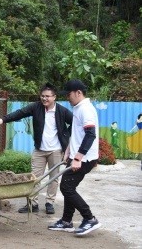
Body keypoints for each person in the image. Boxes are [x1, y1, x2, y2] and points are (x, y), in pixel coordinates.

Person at [0, 83, 73, 214]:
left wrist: (66, 135)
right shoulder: (36, 107)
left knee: (53, 178)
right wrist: (3, 120)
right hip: (39, 150)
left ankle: (49, 203)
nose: (44, 99)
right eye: (42, 96)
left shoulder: (62, 111)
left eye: (47, 96)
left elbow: (75, 123)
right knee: (34, 178)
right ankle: (33, 203)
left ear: (54, 97)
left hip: (56, 150)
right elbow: (20, 113)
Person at [48, 79, 101, 235]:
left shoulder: (86, 109)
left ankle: (89, 218)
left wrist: (78, 158)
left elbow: (90, 134)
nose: (67, 98)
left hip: (85, 158)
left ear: (78, 92)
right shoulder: (78, 108)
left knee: (67, 187)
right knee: (68, 186)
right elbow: (76, 133)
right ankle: (66, 221)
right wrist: (68, 152)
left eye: (69, 94)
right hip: (77, 156)